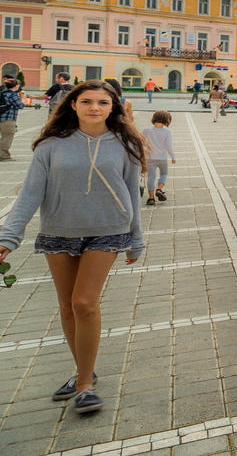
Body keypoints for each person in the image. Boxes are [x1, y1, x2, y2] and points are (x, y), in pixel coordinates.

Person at [0, 80, 145, 414]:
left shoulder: (127, 143)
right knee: (67, 306)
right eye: (87, 101)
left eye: (103, 103)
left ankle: (84, 386)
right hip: (59, 231)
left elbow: (132, 194)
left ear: (114, 107)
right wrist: (8, 237)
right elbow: (30, 194)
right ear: (73, 105)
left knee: (84, 302)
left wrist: (136, 238)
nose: (95, 108)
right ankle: (84, 369)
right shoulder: (50, 146)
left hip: (108, 230)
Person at [142, 111, 176, 204]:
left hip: (149, 158)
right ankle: (159, 189)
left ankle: (151, 198)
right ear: (166, 120)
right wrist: (173, 157)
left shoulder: (146, 130)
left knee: (151, 177)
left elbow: (141, 143)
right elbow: (169, 146)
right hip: (162, 158)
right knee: (164, 174)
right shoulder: (167, 132)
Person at [0, 73, 23, 161]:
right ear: (15, 86)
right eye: (18, 85)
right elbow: (20, 105)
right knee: (7, 137)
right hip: (8, 119)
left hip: (1, 117)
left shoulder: (3, 93)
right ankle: (3, 156)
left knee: (4, 137)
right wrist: (23, 99)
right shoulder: (13, 95)